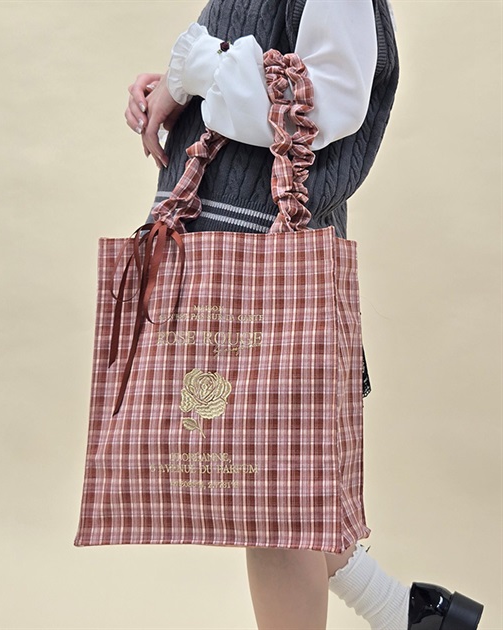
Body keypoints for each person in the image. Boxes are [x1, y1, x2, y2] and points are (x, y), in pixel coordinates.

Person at [124, 1, 484, 628]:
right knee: (275, 483)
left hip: (263, 254)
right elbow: (260, 72)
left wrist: (197, 69)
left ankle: (405, 614)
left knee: (274, 503)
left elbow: (321, 104)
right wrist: (177, 87)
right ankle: (406, 614)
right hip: (236, 247)